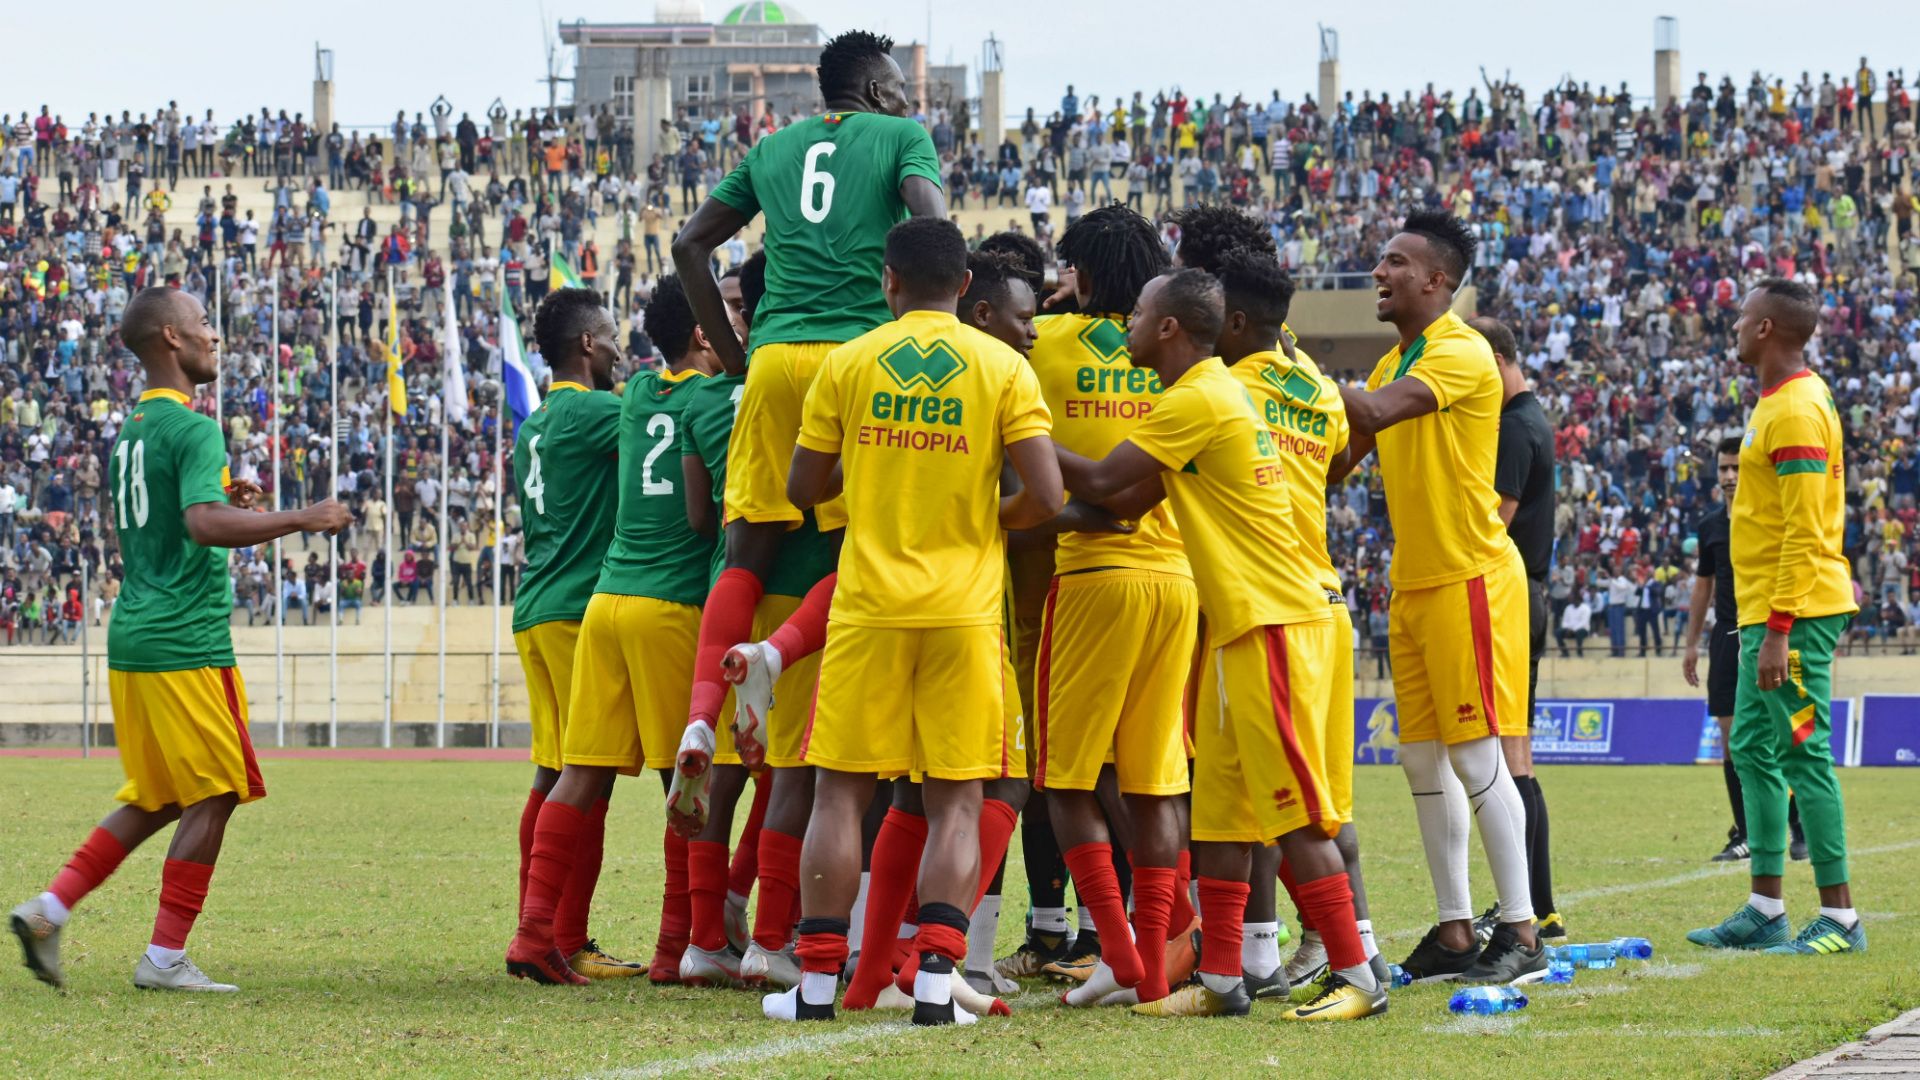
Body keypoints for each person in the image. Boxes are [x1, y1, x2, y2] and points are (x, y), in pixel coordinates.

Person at [1055, 268, 1383, 1021]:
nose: (1128, 324)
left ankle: (1359, 977)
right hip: (1243, 623)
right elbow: (1131, 502)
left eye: (1137, 312)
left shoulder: (1199, 395)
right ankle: (1226, 979)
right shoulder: (1204, 398)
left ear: (1168, 328)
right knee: (1223, 819)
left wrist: (1021, 439)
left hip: (1274, 619)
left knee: (1296, 815)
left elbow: (1107, 479)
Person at [762, 217, 1061, 1026]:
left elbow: (799, 487)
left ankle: (816, 985)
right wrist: (980, 516)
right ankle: (935, 984)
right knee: (958, 799)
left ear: (887, 281)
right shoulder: (1001, 365)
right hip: (964, 612)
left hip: (867, 608)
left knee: (838, 794)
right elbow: (1050, 496)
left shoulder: (848, 363)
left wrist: (877, 487)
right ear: (966, 287)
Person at [10, 287, 350, 992]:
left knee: (162, 795)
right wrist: (300, 517)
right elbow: (199, 524)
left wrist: (233, 501)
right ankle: (164, 958)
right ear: (170, 337)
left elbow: (176, 516)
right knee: (220, 789)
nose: (213, 336)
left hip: (135, 634)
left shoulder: (133, 431)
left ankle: (49, 908)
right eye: (203, 324)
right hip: (185, 640)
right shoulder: (195, 429)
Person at [668, 29, 946, 831]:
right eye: (898, 86)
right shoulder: (902, 138)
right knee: (858, 547)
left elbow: (691, 244)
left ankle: (702, 712)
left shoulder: (773, 148)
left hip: (777, 358)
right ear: (876, 91)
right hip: (856, 357)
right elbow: (931, 226)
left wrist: (732, 356)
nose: (906, 98)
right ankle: (780, 660)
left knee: (746, 549)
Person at [1336, 210, 1543, 984]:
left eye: (1394, 262)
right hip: (1415, 583)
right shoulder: (1394, 364)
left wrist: (1295, 374)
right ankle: (1456, 930)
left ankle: (1521, 930)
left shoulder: (1461, 351)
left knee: (1477, 756)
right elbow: (1339, 458)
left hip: (1470, 579)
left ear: (1437, 281)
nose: (1379, 273)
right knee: (1422, 759)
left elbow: (1378, 414)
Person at [514, 279, 735, 988]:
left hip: (599, 598)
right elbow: (706, 513)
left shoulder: (633, 397)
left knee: (570, 776)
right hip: (661, 605)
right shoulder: (679, 401)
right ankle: (684, 948)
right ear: (703, 336)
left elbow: (652, 403)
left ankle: (534, 933)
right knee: (686, 781)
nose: (616, 343)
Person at [1024, 205, 1195, 1008]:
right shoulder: (1184, 359)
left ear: (1082, 276)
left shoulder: (1046, 347)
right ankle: (1161, 958)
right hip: (1177, 579)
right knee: (1154, 781)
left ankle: (1118, 954)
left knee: (1066, 777)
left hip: (1091, 579)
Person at [1688, 280, 1865, 957]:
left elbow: (1803, 529)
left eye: (1741, 314)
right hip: (1768, 614)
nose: (1733, 323)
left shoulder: (1793, 412)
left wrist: (1782, 627)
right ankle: (1766, 906)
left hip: (1794, 614)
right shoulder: (1777, 404)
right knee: (1753, 749)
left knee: (1803, 751)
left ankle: (1841, 919)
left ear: (1765, 329)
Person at [679, 255, 833, 990]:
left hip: (730, 606)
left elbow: (699, 518)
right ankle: (773, 937)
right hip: (806, 615)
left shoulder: (717, 397)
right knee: (798, 776)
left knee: (738, 783)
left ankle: (704, 933)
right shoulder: (844, 366)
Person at [502, 288, 632, 986]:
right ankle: (556, 937)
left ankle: (547, 929)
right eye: (611, 335)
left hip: (536, 604)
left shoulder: (538, 421)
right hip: (576, 610)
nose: (619, 347)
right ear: (587, 345)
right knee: (586, 777)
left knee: (556, 773)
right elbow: (661, 430)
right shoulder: (597, 412)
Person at [1473, 314, 1564, 944]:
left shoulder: (1513, 427)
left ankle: (1530, 908)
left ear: (1498, 360)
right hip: (1527, 592)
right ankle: (1540, 904)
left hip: (1511, 593)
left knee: (1510, 754)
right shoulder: (1535, 418)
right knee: (1518, 753)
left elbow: (1493, 520)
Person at [1684, 435, 1807, 864]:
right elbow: (1703, 587)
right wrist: (1691, 644)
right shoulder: (1710, 526)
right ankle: (1746, 832)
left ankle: (1797, 822)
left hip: (1768, 636)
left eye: (1736, 467)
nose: (1730, 476)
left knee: (1779, 735)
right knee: (1732, 741)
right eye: (1723, 468)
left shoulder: (1767, 517)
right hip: (1726, 638)